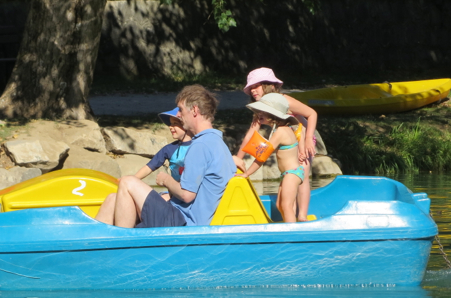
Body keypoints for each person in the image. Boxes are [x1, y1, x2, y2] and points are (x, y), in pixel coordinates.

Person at [95, 85, 236, 228]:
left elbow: (187, 195)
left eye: (180, 109)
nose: (179, 115)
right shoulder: (218, 143)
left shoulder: (200, 146)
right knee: (114, 199)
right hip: (179, 214)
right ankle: (93, 245)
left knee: (127, 182)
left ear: (194, 110)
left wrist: (166, 180)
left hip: (182, 221)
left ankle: (123, 242)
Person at [235, 67, 317, 221]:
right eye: (250, 88)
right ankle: (290, 220)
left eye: (256, 86)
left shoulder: (283, 102)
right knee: (284, 203)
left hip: (303, 136)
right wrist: (238, 159)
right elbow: (251, 135)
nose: (253, 90)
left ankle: (302, 217)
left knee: (303, 174)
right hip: (289, 144)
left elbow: (311, 114)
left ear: (269, 85)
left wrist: (306, 142)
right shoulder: (263, 111)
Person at [96, 107, 192, 223]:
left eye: (175, 124)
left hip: (180, 198)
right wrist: (132, 180)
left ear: (186, 124)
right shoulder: (170, 149)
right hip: (172, 193)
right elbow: (150, 166)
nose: (170, 127)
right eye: (170, 124)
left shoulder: (199, 147)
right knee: (112, 197)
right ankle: (94, 236)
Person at [239, 93, 303, 223]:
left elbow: (262, 156)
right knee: (280, 205)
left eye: (262, 112)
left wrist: (247, 174)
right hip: (288, 174)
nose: (258, 114)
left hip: (292, 173)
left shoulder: (281, 132)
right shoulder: (278, 130)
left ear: (273, 114)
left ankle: (292, 235)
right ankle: (289, 227)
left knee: (286, 206)